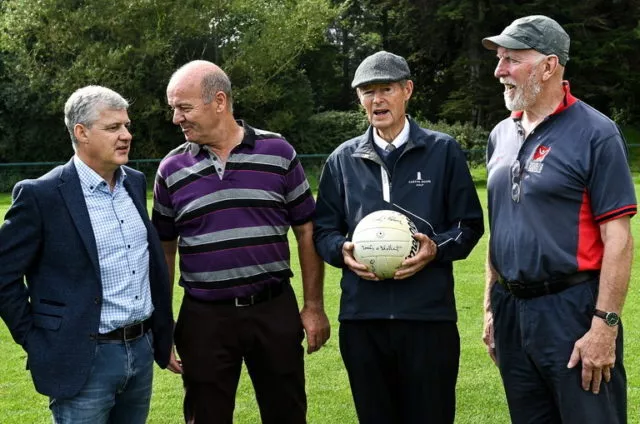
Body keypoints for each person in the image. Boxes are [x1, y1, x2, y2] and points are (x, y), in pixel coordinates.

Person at [152, 60, 331, 424]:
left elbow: (306, 230)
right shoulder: (170, 169)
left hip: (273, 308)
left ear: (219, 101)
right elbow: (164, 250)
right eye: (173, 108)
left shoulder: (278, 152)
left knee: (287, 414)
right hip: (203, 317)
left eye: (184, 108)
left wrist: (313, 306)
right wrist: (163, 323)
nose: (176, 118)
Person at [313, 51, 484, 424]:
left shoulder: (443, 151)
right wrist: (341, 251)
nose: (377, 100)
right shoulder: (343, 159)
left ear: (407, 90)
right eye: (367, 91)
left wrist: (434, 250)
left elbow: (469, 225)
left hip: (428, 319)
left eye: (386, 89)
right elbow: (323, 230)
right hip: (362, 321)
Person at [482, 15, 636, 424]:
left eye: (511, 60)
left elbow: (618, 237)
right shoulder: (501, 134)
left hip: (572, 312)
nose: (500, 72)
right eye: (499, 59)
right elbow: (501, 229)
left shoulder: (596, 132)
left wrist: (604, 325)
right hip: (512, 310)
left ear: (549, 66)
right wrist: (490, 308)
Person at [0, 85, 174, 423]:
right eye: (113, 128)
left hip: (140, 350)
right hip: (81, 357)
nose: (126, 135)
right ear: (81, 132)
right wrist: (36, 339)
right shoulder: (42, 195)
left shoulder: (134, 183)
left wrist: (160, 334)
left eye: (126, 125)